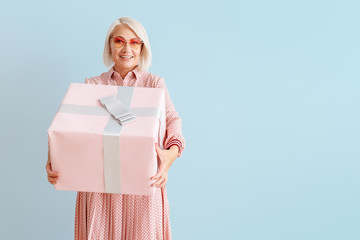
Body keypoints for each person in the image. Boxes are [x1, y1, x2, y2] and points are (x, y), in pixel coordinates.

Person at [45, 16, 185, 239]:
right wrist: (54, 159)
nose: (126, 48)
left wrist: (171, 154)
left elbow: (172, 120)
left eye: (134, 42)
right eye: (119, 41)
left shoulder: (154, 84)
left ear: (142, 47)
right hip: (99, 188)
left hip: (143, 185)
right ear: (110, 45)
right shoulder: (93, 85)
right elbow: (70, 127)